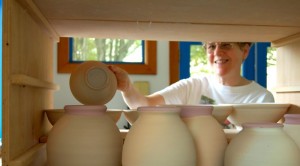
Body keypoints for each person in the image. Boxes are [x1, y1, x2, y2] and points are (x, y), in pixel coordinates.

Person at [109, 42, 274, 109]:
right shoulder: (193, 86)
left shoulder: (261, 98)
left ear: (245, 51)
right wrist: (127, 88)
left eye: (225, 45)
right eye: (211, 46)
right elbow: (144, 105)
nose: (217, 52)